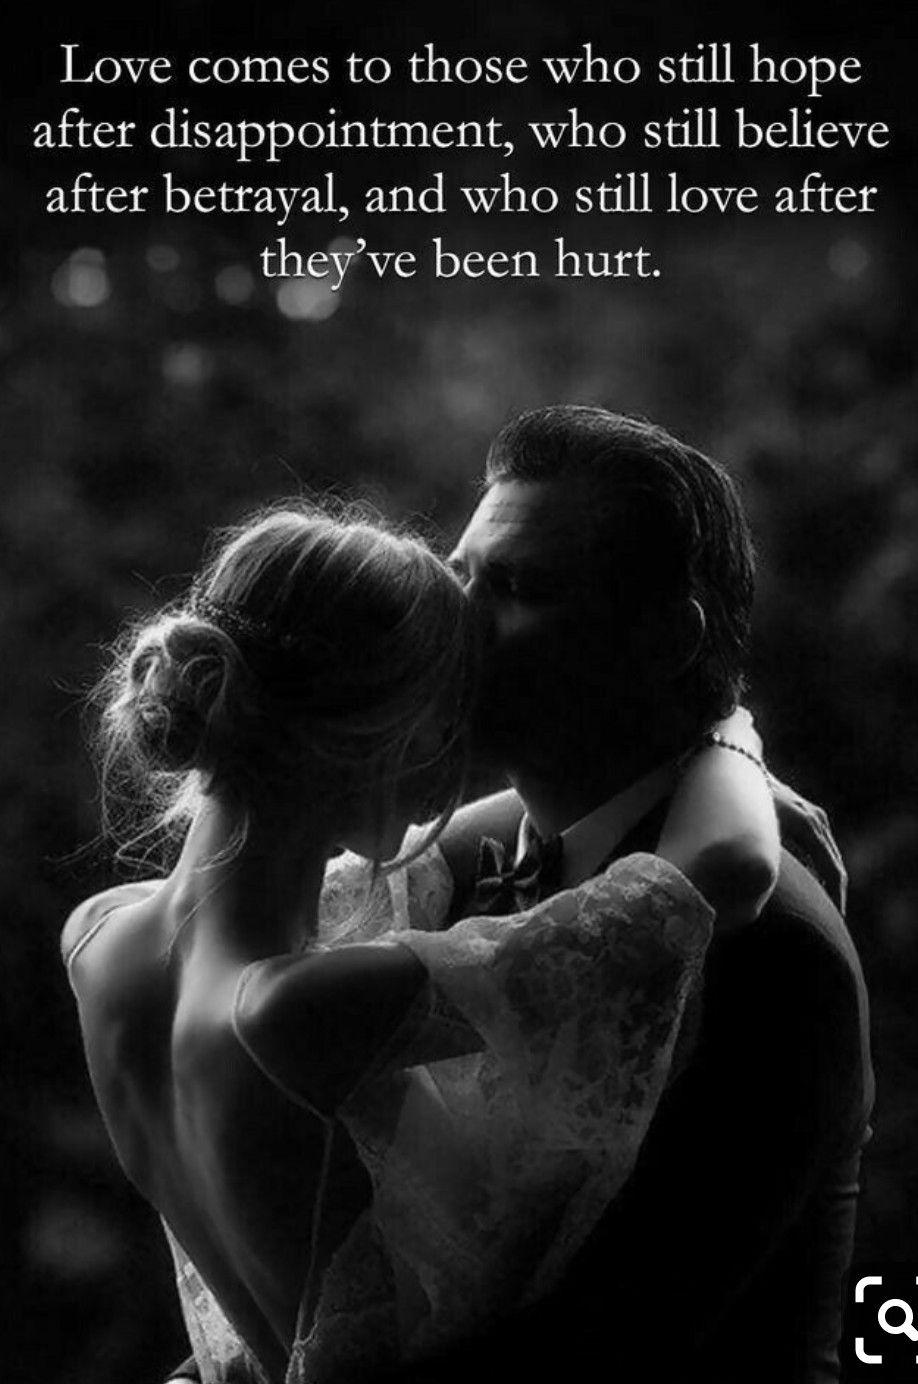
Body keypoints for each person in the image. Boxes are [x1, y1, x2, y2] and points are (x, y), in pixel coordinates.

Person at [64, 501, 782, 1384]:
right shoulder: (294, 1009)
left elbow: (432, 852)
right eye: (445, 721)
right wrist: (729, 734)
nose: (456, 762)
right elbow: (716, 875)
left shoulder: (98, 939)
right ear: (366, 738)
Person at [387, 406, 873, 1383]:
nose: (455, 625)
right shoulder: (455, 866)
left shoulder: (770, 949)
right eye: (456, 575)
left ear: (663, 640)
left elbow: (606, 1342)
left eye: (516, 588)